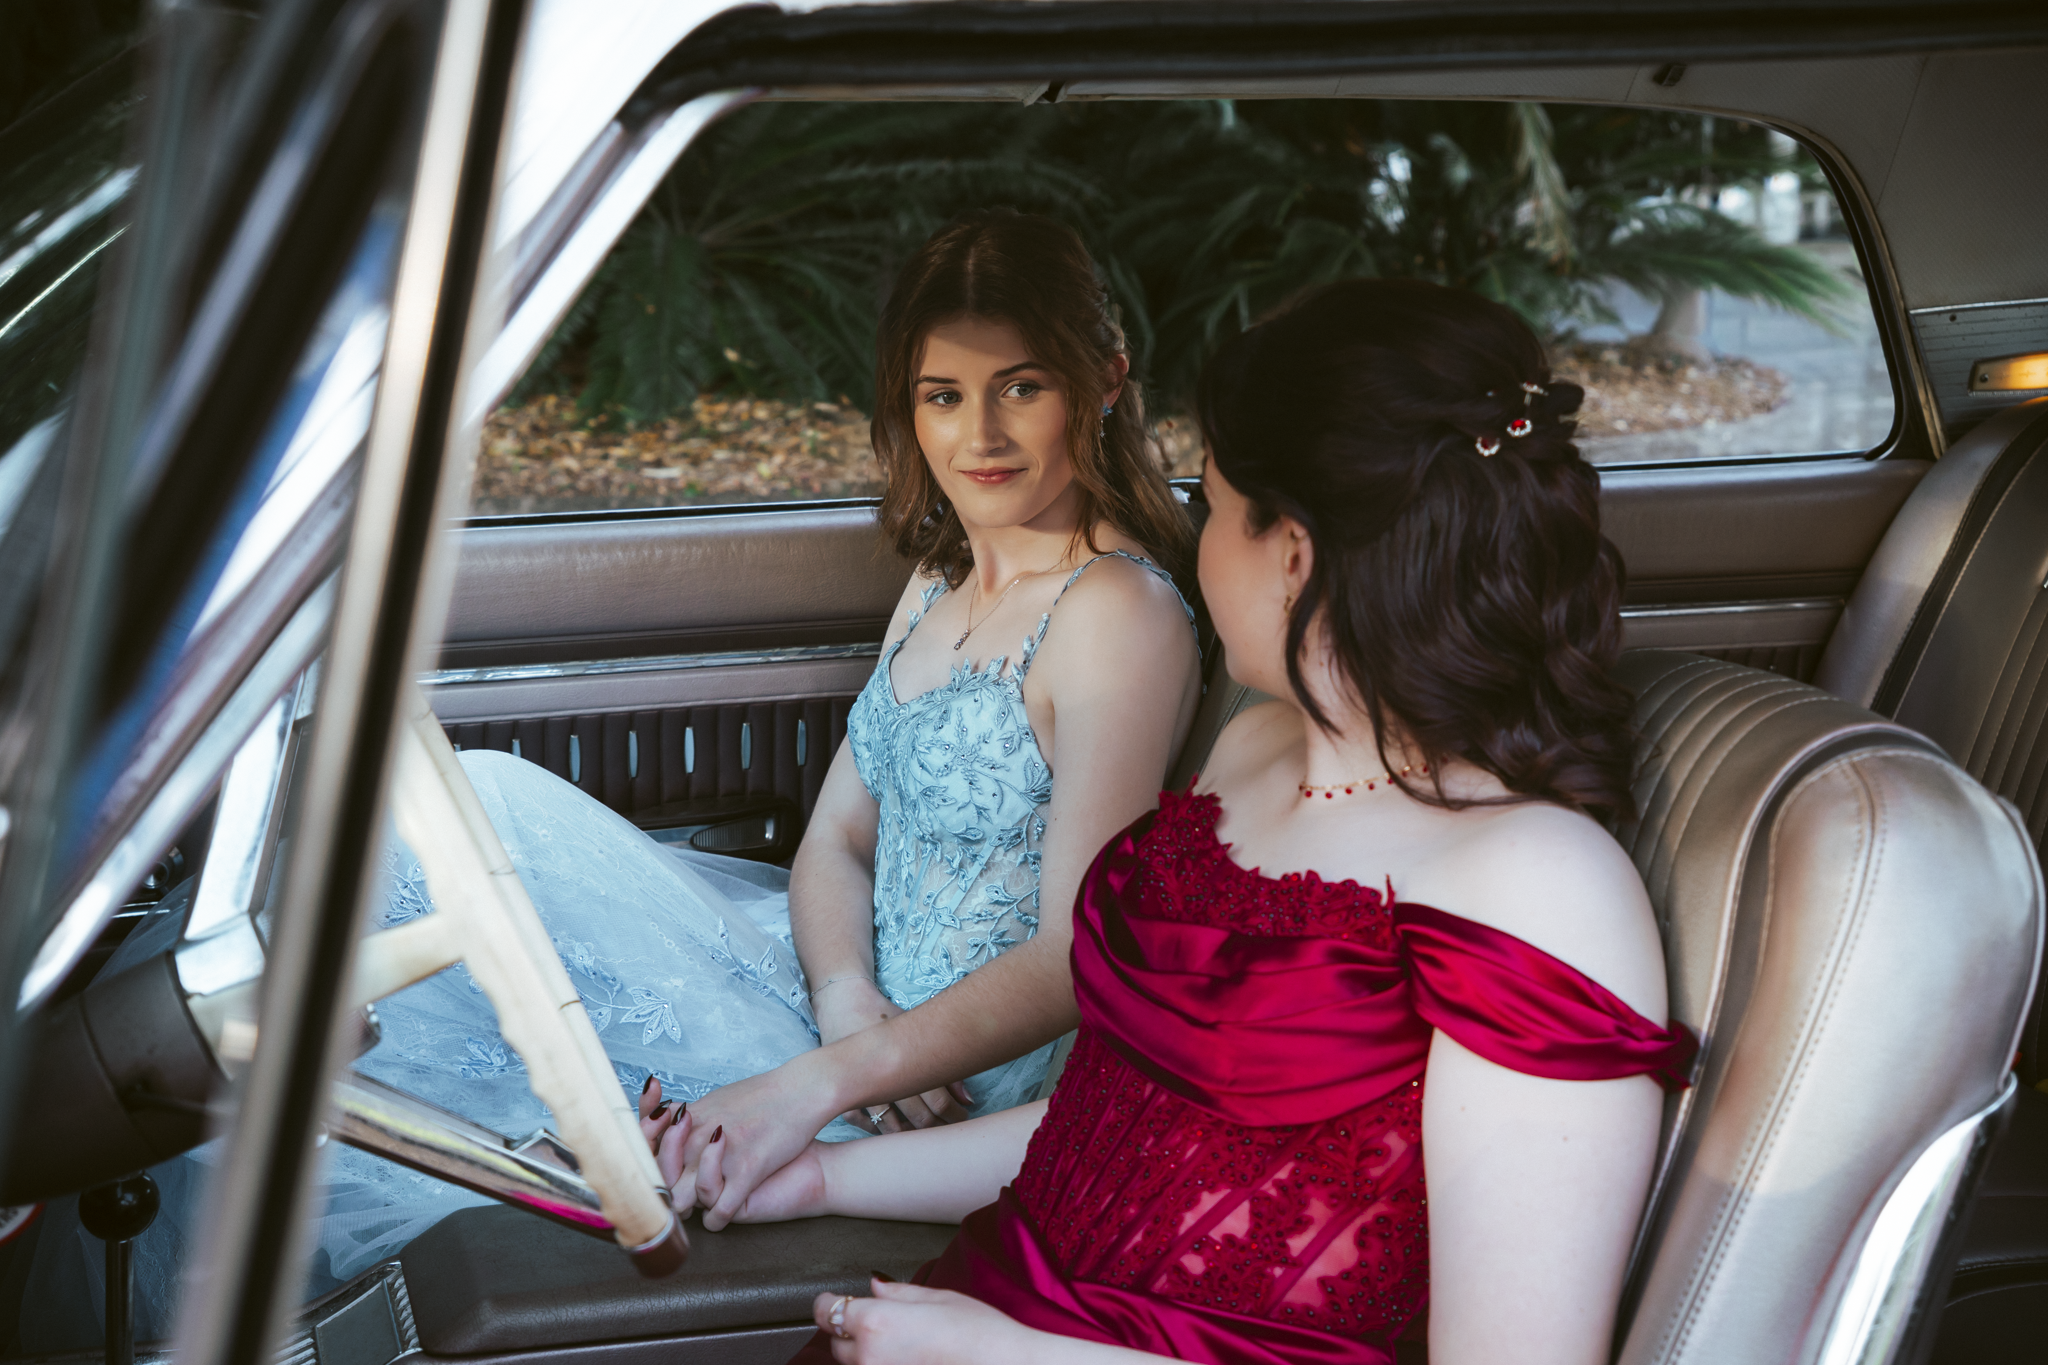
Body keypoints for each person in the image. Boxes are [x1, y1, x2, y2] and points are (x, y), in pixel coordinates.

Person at [17, 209, 1201, 1345]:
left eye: (1020, 389)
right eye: (943, 395)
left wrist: (834, 1072)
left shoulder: (1114, 617)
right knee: (436, 825)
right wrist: (843, 998)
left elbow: (1072, 956)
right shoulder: (943, 580)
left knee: (432, 1014)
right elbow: (838, 840)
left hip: (944, 1089)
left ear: (1102, 381)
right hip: (837, 1006)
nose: (979, 437)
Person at [649, 277, 1697, 1365]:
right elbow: (1108, 1134)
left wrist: (1007, 1356)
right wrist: (815, 1174)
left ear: (1288, 552)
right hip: (970, 1306)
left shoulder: (1537, 885)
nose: (1191, 548)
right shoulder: (1251, 753)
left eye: (1211, 508)